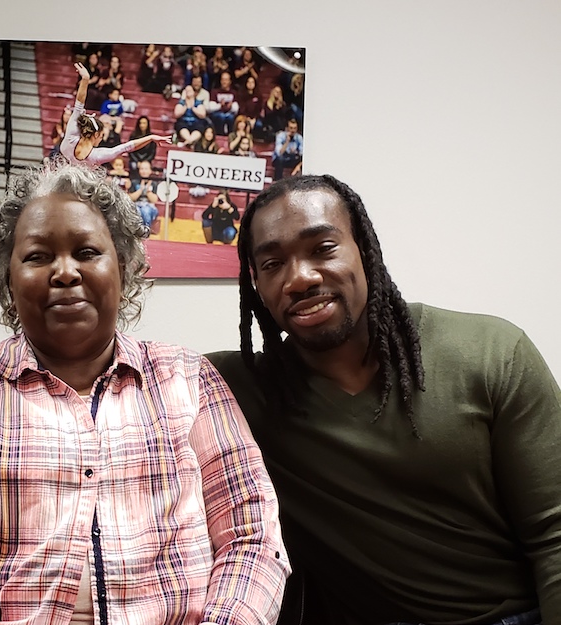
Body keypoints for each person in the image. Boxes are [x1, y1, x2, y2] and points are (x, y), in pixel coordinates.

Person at [0, 163, 290, 625]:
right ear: (6, 277)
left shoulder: (189, 377)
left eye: (86, 251)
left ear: (123, 267)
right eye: (38, 256)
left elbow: (252, 533)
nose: (65, 272)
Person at [207, 174, 561, 625]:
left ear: (366, 250)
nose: (300, 278)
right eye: (274, 264)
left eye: (323, 248)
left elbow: (555, 535)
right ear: (255, 282)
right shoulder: (233, 390)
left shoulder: (491, 353)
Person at [62, 62, 169, 167]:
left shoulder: (71, 134)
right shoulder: (98, 155)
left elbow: (79, 103)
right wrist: (150, 138)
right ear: (96, 135)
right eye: (101, 135)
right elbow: (128, 147)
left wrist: (85, 79)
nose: (101, 139)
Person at [129, 159, 160, 227]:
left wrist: (148, 191)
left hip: (149, 206)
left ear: (150, 171)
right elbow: (131, 198)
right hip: (136, 205)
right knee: (136, 211)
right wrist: (140, 190)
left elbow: (154, 200)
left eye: (146, 169)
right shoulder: (134, 182)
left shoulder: (154, 183)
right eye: (142, 169)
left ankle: (146, 231)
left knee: (145, 211)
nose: (144, 171)